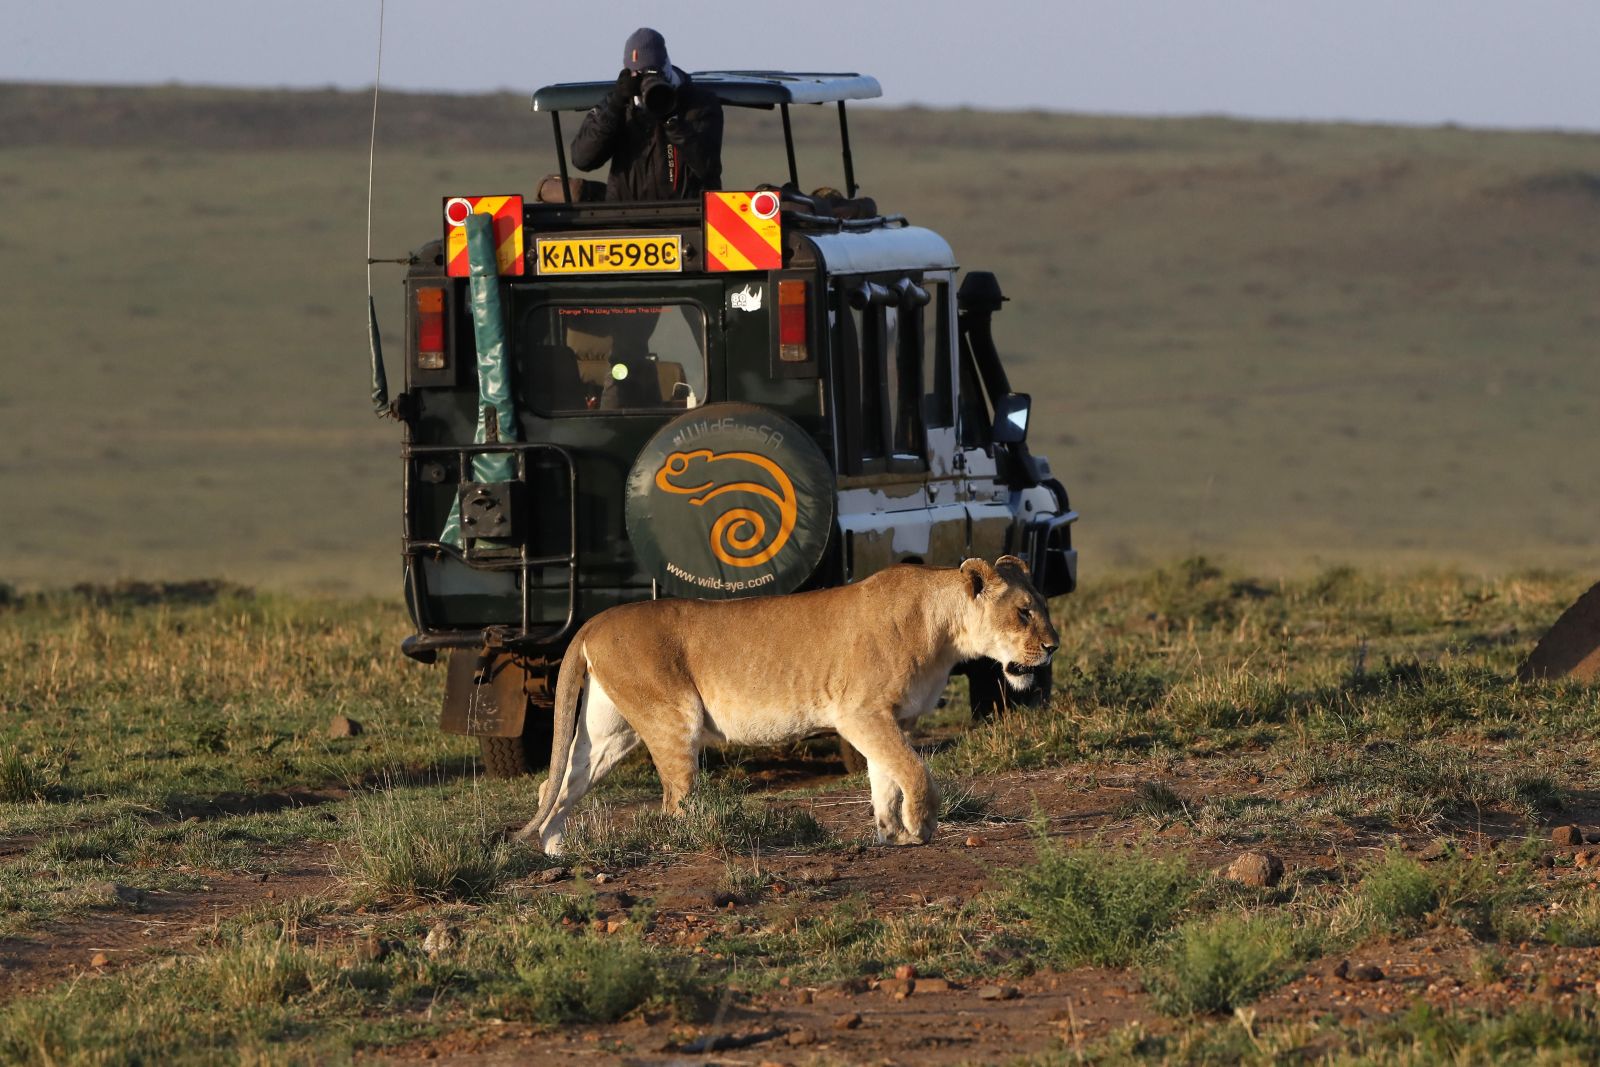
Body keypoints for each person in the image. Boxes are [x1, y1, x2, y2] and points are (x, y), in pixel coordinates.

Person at [570, 27, 723, 201]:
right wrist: (615, 105)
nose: (646, 82)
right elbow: (582, 159)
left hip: (686, 216)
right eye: (639, 74)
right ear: (628, 73)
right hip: (627, 217)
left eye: (653, 72)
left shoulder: (699, 103)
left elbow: (708, 166)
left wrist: (670, 117)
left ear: (666, 68)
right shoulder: (620, 106)